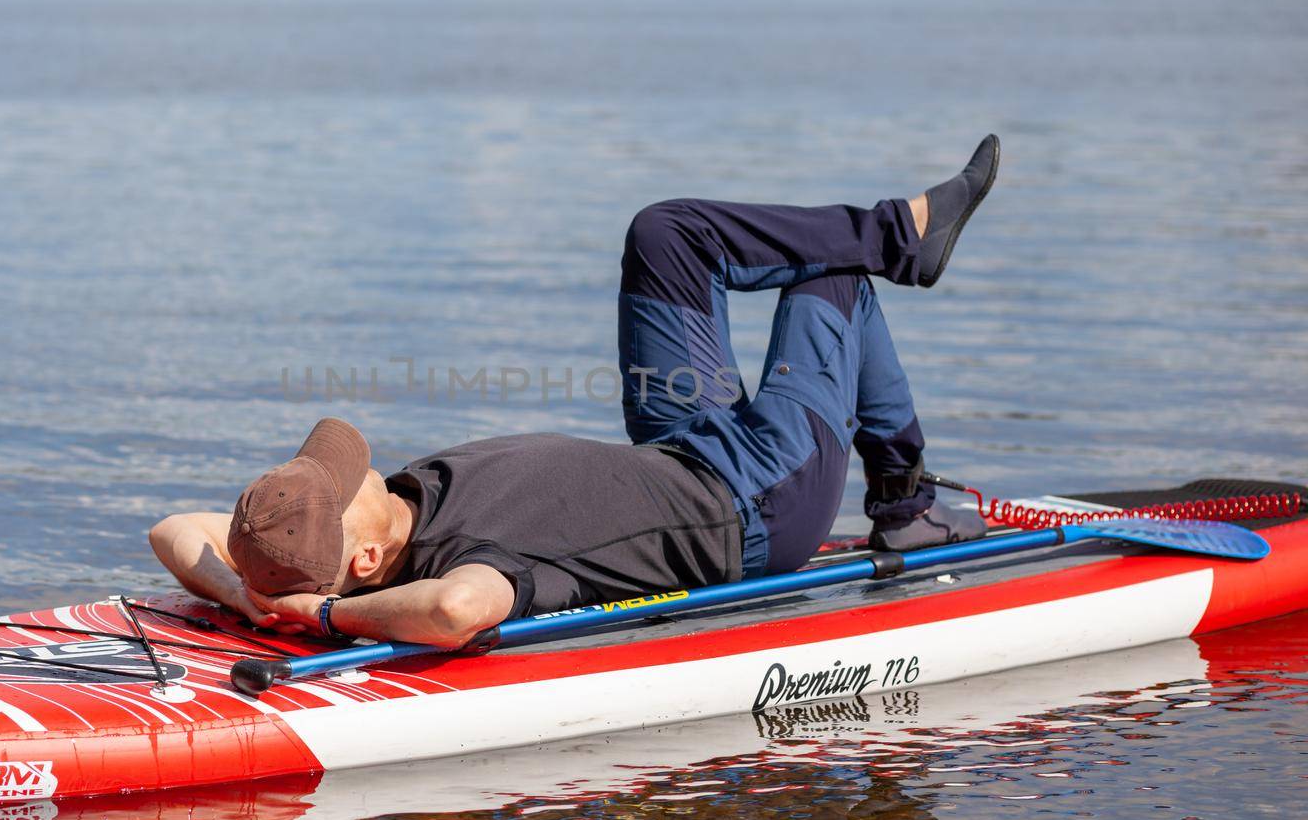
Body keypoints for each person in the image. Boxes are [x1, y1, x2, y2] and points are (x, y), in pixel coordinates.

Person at [150, 136, 999, 649]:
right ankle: (904, 496)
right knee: (833, 286)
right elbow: (455, 610)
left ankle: (898, 236)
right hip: (757, 500)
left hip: (681, 444)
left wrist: (260, 599)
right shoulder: (468, 564)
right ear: (363, 562)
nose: (357, 469)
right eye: (345, 486)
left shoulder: (377, 527)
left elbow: (172, 530)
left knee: (665, 232)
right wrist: (326, 620)